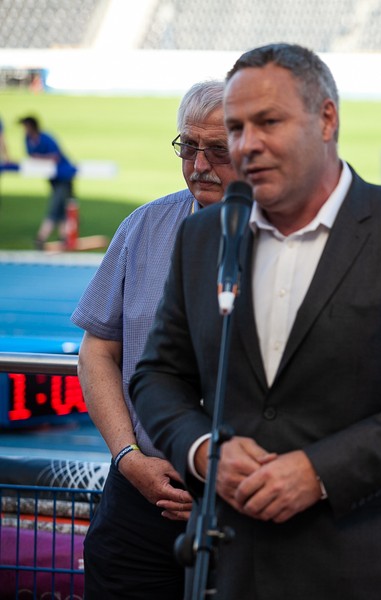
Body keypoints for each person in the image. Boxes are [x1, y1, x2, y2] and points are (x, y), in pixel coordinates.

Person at [130, 43, 381, 600]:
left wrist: (320, 471)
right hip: (229, 562)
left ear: (326, 119)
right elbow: (158, 375)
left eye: (269, 122)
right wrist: (204, 450)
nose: (247, 144)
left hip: (361, 564)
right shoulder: (204, 236)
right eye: (236, 127)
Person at [71, 80, 239, 599]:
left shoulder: (292, 241)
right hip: (137, 497)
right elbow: (98, 351)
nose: (199, 165)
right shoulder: (143, 226)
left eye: (217, 150)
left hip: (247, 509)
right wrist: (128, 457)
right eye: (188, 146)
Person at [19, 115, 77, 249]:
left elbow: (55, 156)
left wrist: (39, 158)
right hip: (53, 178)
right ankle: (63, 238)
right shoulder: (28, 139)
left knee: (57, 206)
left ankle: (41, 237)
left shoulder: (46, 138)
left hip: (63, 175)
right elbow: (32, 156)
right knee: (62, 207)